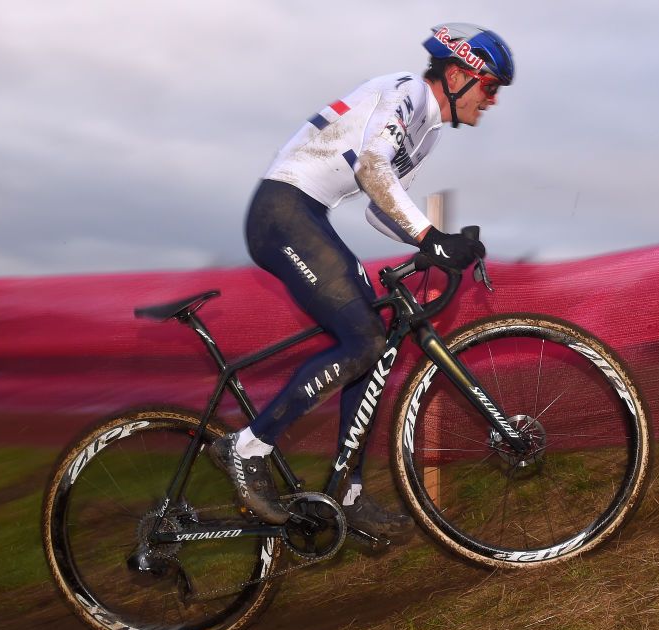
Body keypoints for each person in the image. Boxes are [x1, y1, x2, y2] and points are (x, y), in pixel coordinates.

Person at [210, 23, 515, 539]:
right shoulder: (409, 93)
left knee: (374, 346)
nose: (492, 101)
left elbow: (379, 208)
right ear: (460, 74)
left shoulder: (427, 129)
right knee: (365, 339)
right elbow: (374, 169)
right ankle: (246, 448)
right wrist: (430, 236)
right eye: (490, 87)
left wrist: (432, 242)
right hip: (284, 211)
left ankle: (347, 492)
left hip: (308, 215)